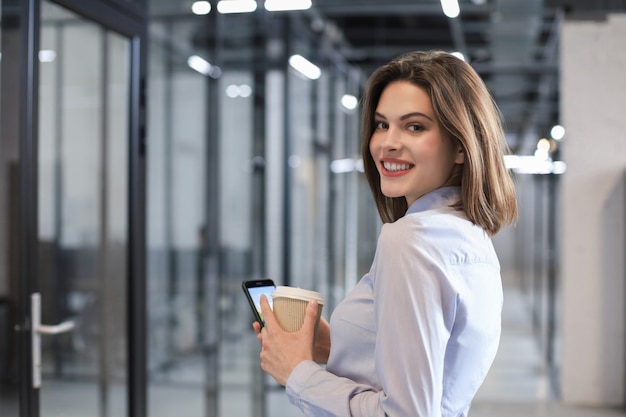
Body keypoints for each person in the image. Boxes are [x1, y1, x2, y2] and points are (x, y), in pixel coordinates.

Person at [253, 50, 518, 417]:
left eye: (414, 126)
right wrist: (336, 347)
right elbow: (429, 374)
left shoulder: (411, 239)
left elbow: (406, 413)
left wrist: (298, 373)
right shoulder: (467, 234)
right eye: (381, 124)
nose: (387, 143)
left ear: (461, 145)